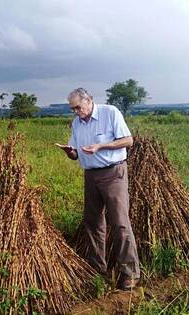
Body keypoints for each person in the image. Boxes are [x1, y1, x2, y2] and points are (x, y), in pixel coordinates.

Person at [56, 88, 140, 290]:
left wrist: (101, 147)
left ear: (89, 100)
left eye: (79, 107)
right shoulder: (77, 123)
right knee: (93, 222)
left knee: (119, 222)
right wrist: (70, 152)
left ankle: (130, 273)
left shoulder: (109, 113)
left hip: (113, 173)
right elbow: (76, 154)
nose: (77, 112)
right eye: (73, 109)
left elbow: (128, 141)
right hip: (91, 175)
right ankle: (97, 268)